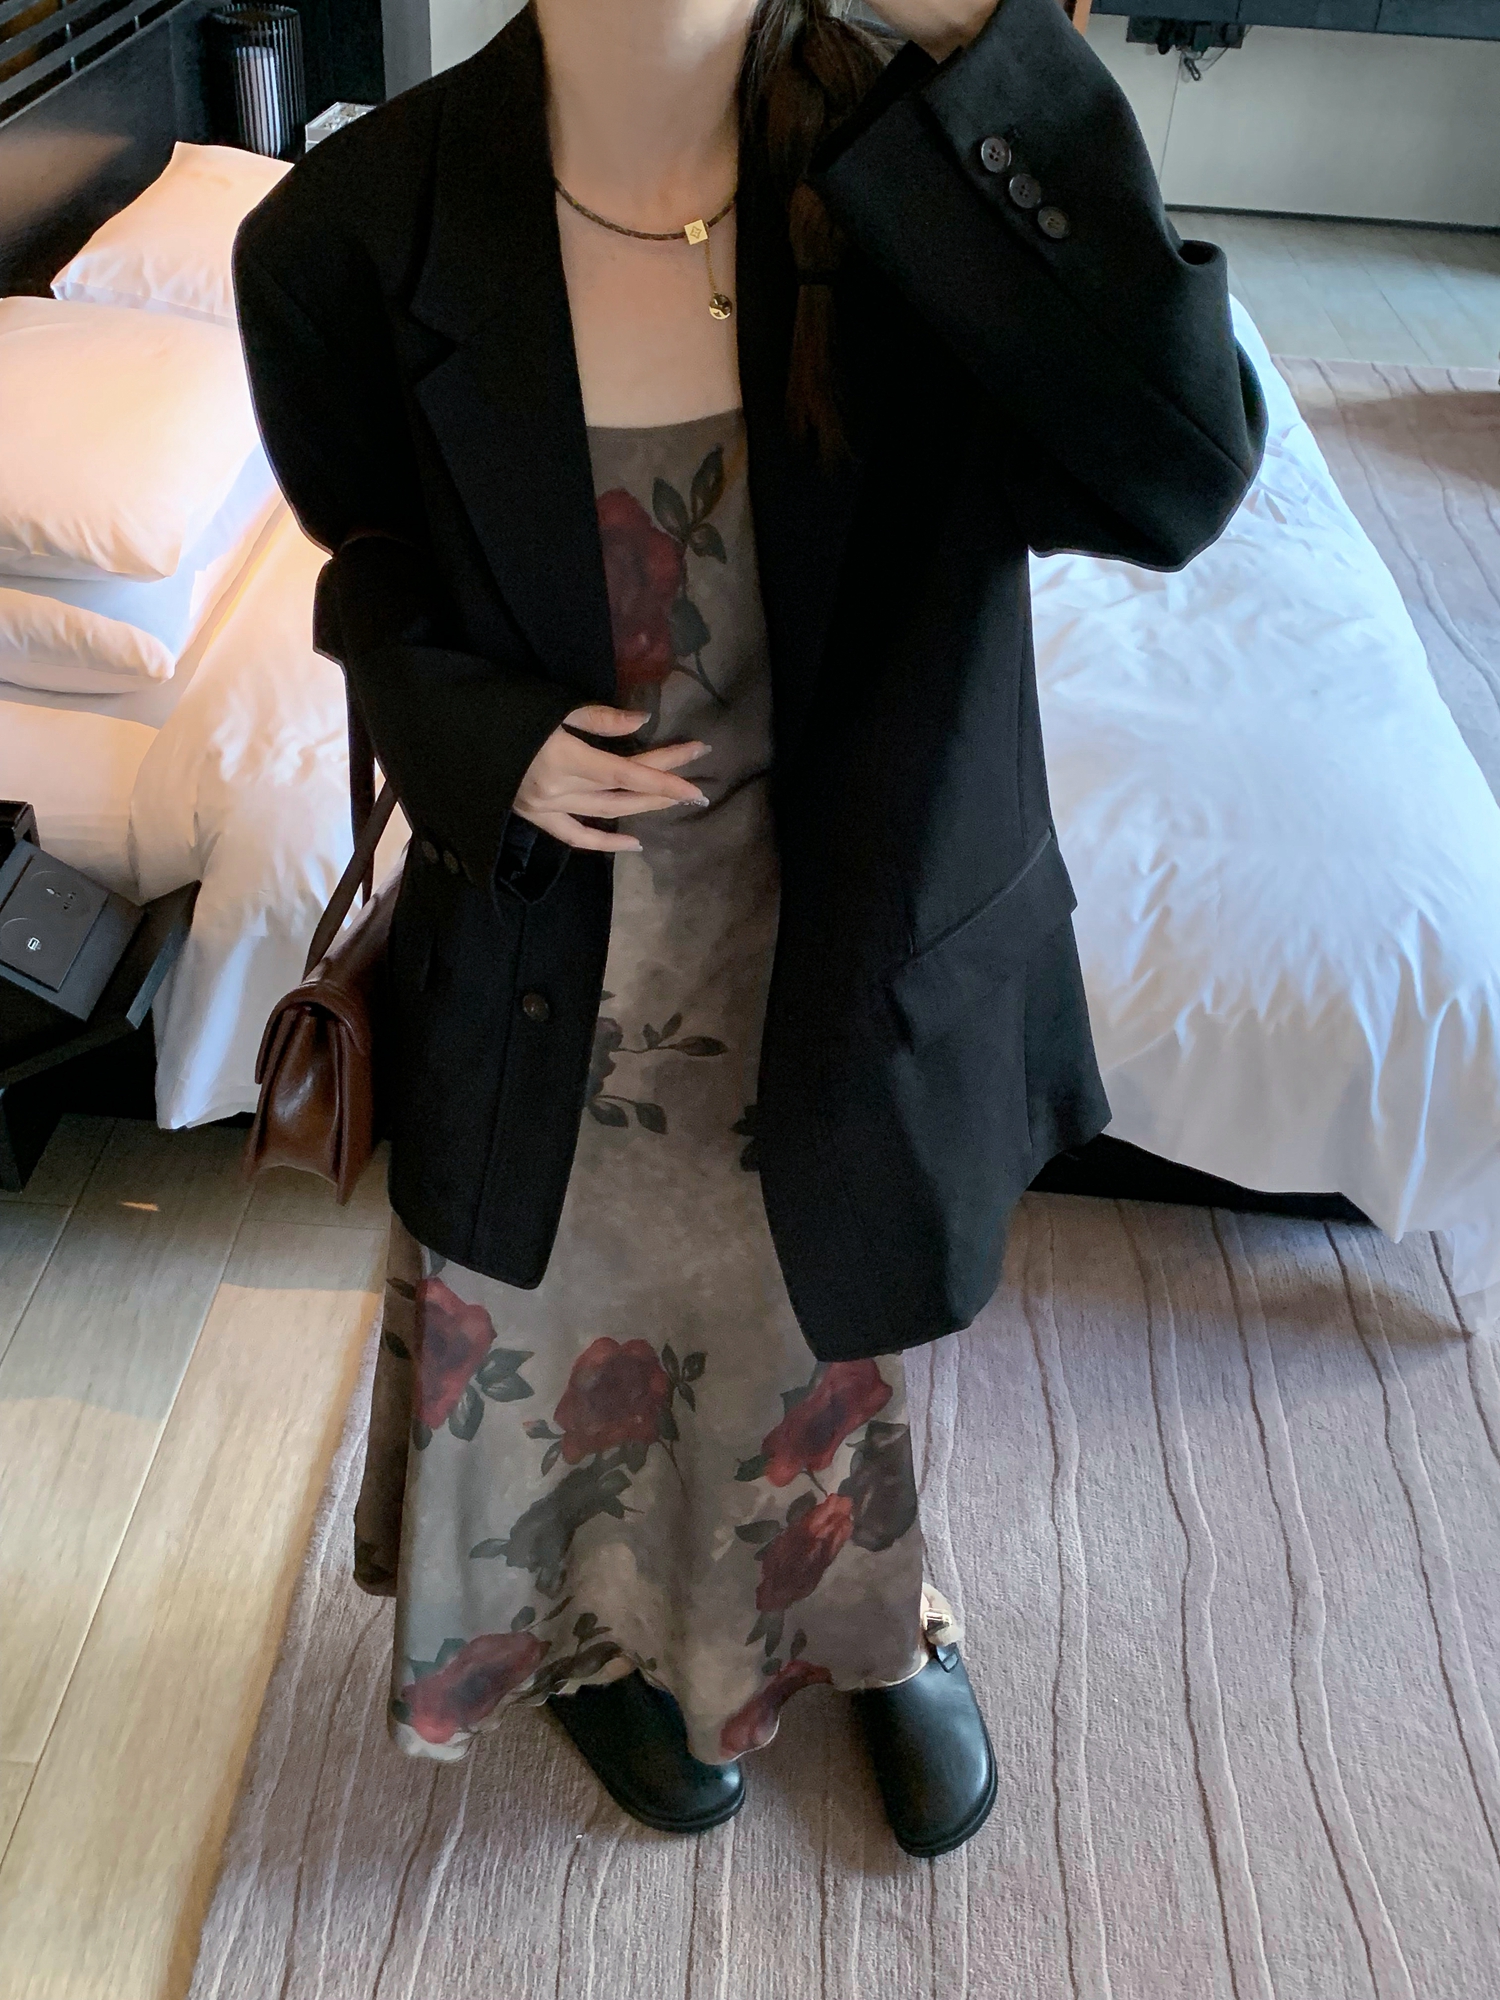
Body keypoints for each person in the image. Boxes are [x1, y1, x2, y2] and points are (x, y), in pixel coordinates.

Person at [233, 0, 1264, 1856]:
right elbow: (366, 565)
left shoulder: (923, 164)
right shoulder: (345, 233)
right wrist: (473, 733)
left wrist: (989, 49)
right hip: (556, 967)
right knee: (580, 1330)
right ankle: (602, 1638)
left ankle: (868, 1617)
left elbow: (1179, 475)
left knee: (816, 1317)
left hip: (851, 939)